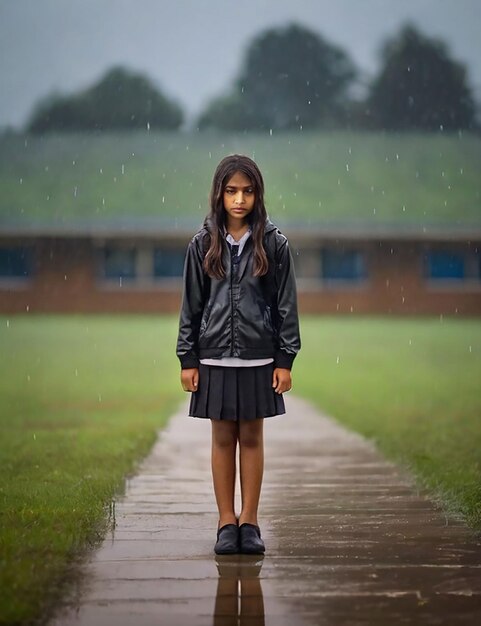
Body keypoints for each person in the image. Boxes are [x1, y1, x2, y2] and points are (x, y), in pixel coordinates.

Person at [176, 154, 300, 555]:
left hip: (259, 358)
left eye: (247, 191)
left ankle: (250, 521)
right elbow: (191, 306)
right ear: (220, 194)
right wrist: (187, 358)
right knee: (222, 437)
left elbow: (286, 306)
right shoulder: (202, 244)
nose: (239, 199)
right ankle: (225, 523)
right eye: (231, 191)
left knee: (251, 436)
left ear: (257, 194)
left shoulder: (274, 244)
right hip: (212, 358)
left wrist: (285, 359)